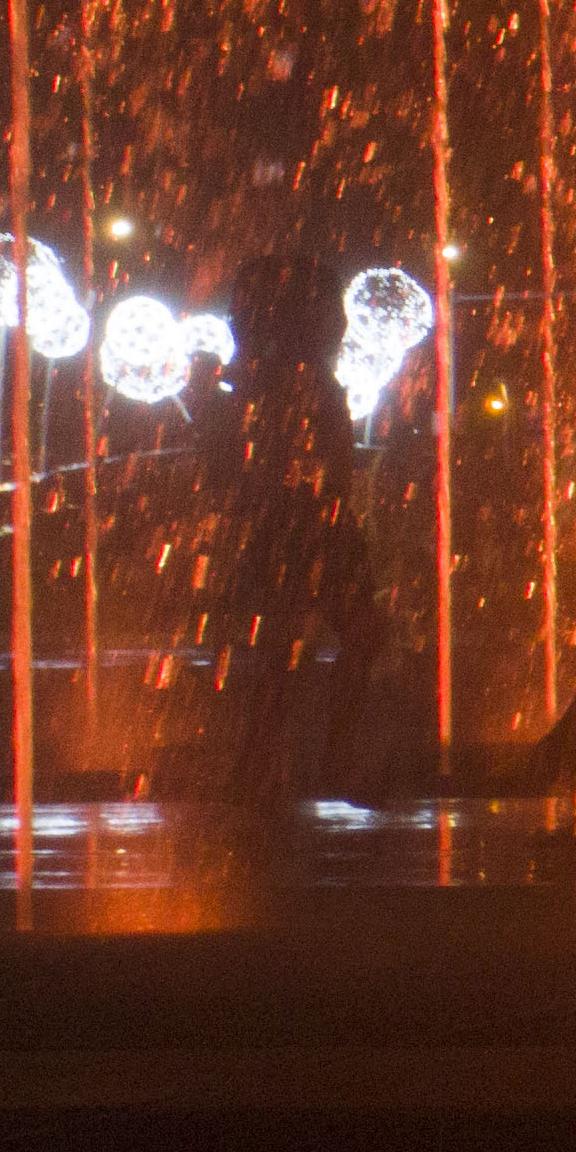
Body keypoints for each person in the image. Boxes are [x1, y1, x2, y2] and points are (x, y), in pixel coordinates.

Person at [201, 255, 389, 809]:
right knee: (306, 645)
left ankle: (268, 765)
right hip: (308, 528)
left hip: (302, 526)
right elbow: (314, 463)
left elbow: (256, 463)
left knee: (296, 647)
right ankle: (297, 763)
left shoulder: (276, 379)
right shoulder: (294, 380)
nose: (342, 323)